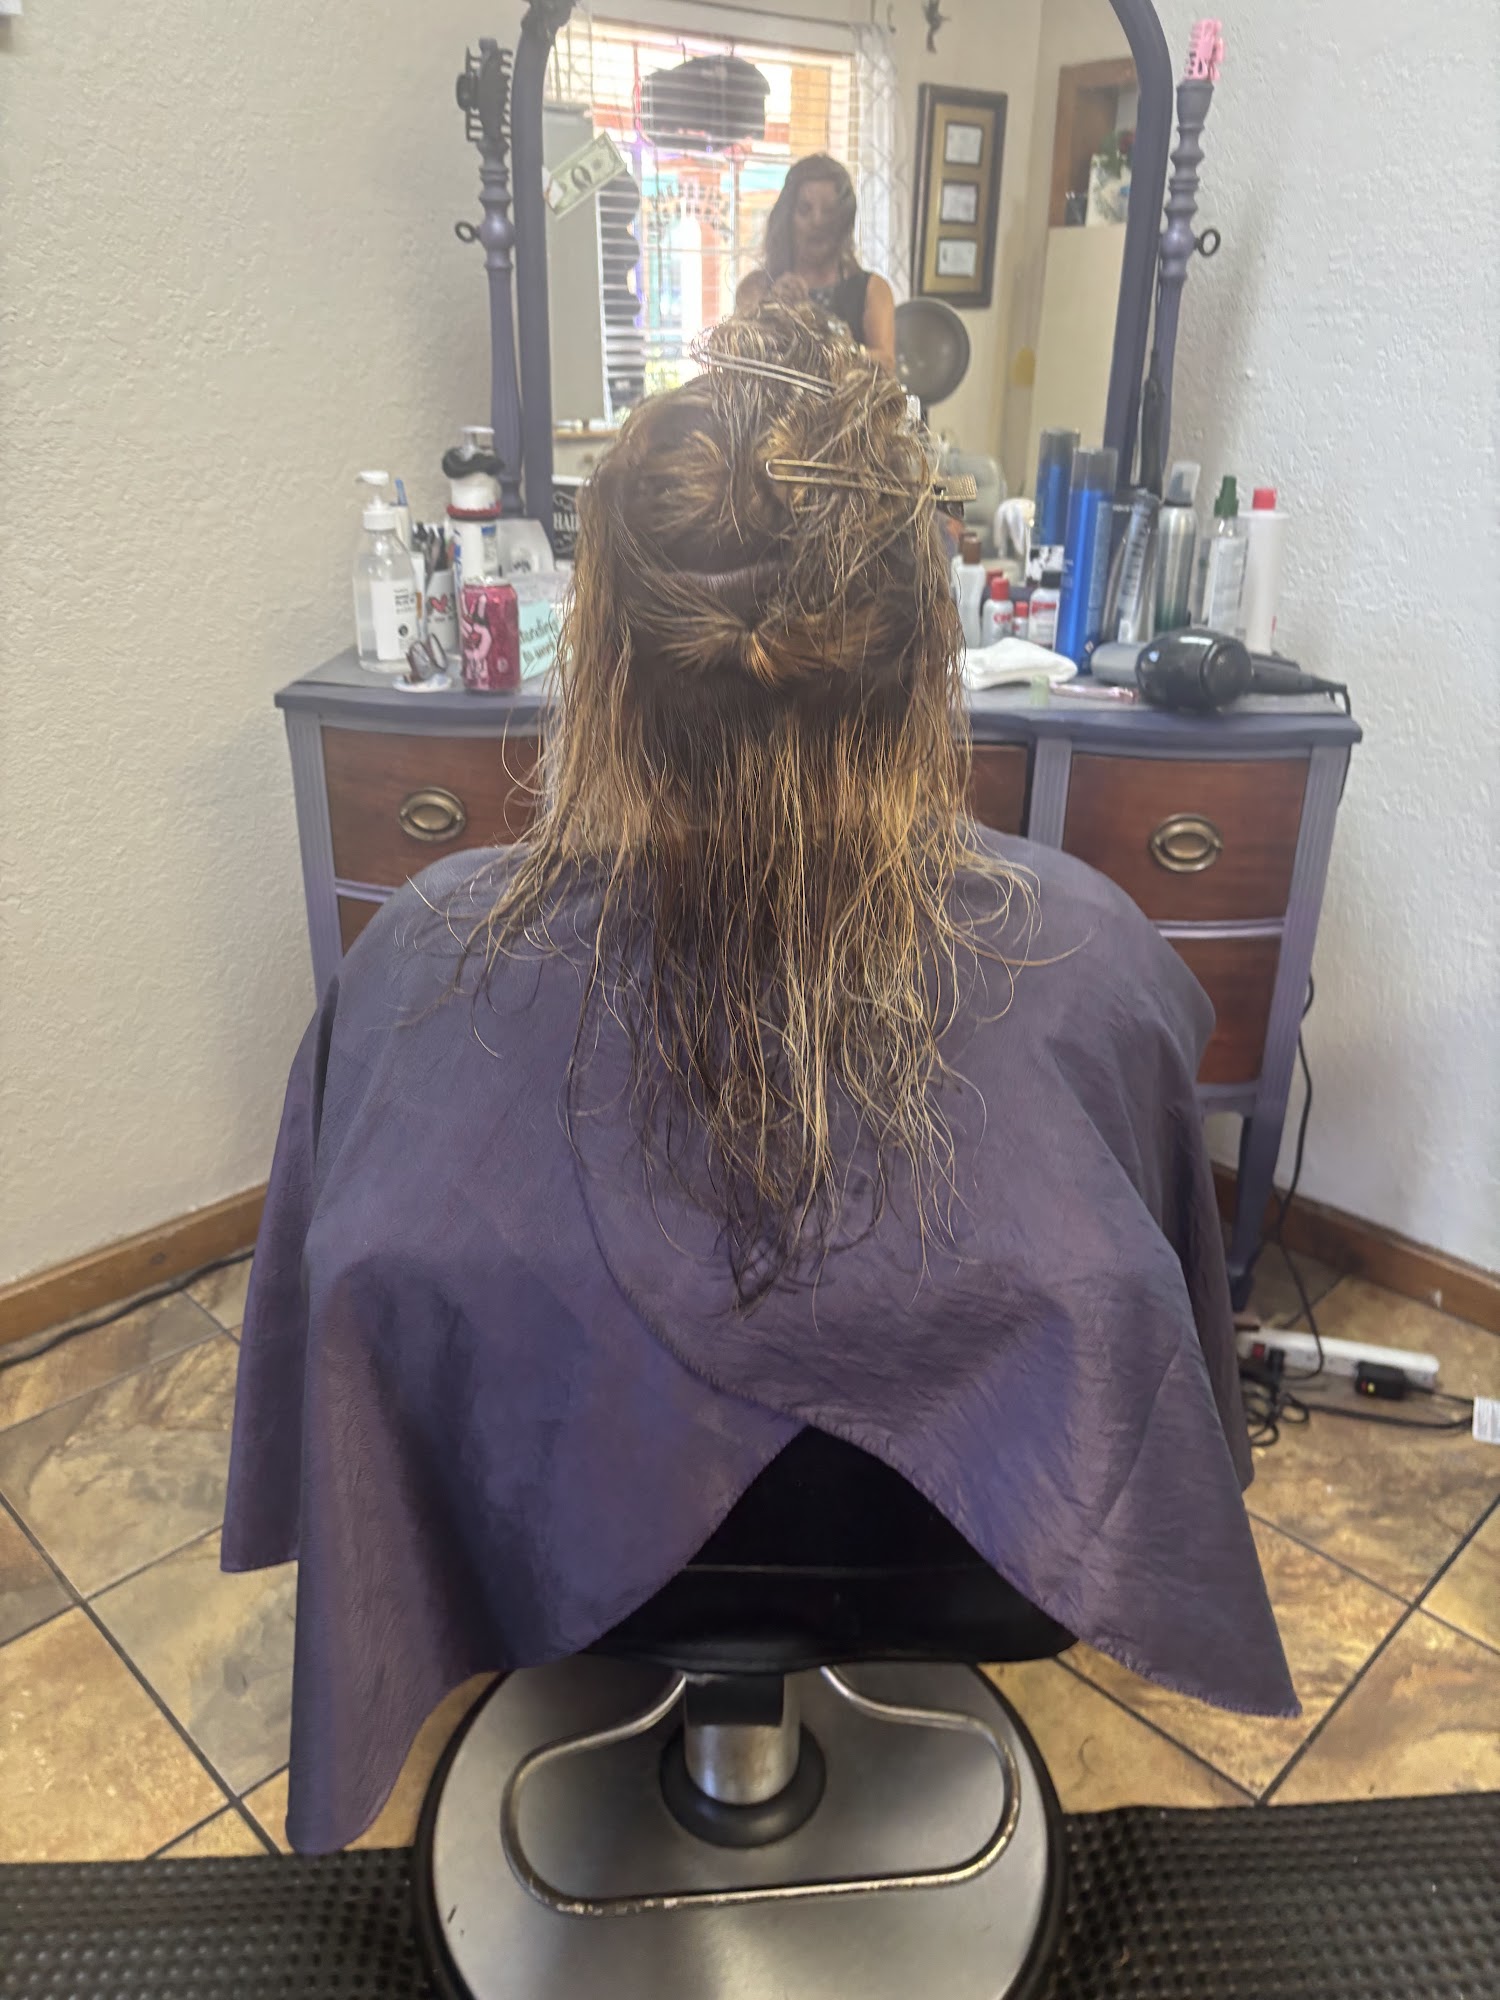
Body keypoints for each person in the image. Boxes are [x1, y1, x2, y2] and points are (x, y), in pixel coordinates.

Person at [223, 304, 1293, 1854]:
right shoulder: (1089, 944)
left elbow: (351, 1317)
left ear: (603, 655)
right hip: (967, 1566)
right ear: (922, 650)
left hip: (535, 1533)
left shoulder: (424, 949)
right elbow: (1150, 1318)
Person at [735, 152, 896, 369]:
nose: (817, 221)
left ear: (844, 220)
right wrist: (772, 312)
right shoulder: (755, 287)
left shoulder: (873, 289)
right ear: (788, 216)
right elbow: (738, 359)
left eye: (829, 211)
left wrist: (824, 334)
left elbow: (886, 364)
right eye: (805, 209)